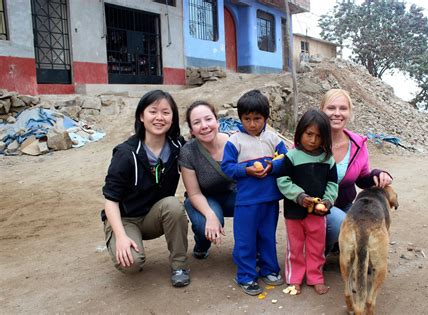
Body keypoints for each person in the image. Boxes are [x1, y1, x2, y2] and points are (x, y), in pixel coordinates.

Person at [101, 90, 190, 287]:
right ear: (141, 116)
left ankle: (179, 265)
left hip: (154, 216)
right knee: (131, 263)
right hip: (126, 219)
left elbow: (203, 150)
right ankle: (117, 239)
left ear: (173, 118)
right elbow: (111, 201)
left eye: (166, 112)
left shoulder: (177, 146)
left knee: (173, 205)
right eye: (153, 111)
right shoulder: (126, 154)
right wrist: (122, 237)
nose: (159, 117)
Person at [221, 89, 288, 296]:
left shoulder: (273, 138)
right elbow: (227, 167)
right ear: (240, 118)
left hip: (269, 200)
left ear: (265, 118)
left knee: (267, 236)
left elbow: (285, 160)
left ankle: (269, 269)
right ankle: (246, 275)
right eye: (247, 118)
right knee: (246, 239)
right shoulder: (235, 141)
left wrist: (272, 167)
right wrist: (246, 170)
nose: (252, 123)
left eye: (257, 118)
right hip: (246, 201)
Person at [320, 89, 393, 254]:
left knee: (366, 230)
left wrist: (378, 174)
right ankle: (319, 250)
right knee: (341, 224)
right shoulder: (309, 138)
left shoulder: (358, 143)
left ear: (350, 112)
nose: (337, 113)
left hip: (344, 205)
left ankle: (338, 242)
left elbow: (362, 179)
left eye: (343, 108)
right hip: (315, 207)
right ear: (322, 110)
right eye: (331, 108)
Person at [277, 109, 338, 295]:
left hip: (318, 214)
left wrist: (327, 201)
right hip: (294, 213)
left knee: (316, 247)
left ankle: (315, 277)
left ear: (325, 138)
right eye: (309, 134)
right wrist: (300, 196)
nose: (313, 140)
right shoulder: (291, 157)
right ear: (300, 132)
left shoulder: (328, 160)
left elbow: (333, 184)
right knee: (294, 247)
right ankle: (294, 278)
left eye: (318, 136)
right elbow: (283, 181)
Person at [178, 101, 236, 260]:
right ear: (191, 130)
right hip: (203, 198)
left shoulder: (235, 142)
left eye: (208, 119)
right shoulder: (188, 152)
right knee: (205, 224)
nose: (204, 126)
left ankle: (249, 247)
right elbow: (194, 193)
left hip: (232, 195)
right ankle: (202, 244)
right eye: (197, 122)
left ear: (217, 121)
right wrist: (210, 216)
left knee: (256, 205)